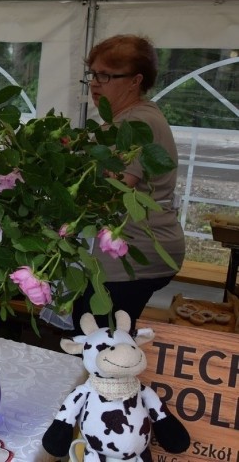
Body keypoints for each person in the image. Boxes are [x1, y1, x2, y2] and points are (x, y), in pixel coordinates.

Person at [71, 34, 185, 331]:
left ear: (135, 81)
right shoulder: (132, 115)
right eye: (93, 74)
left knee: (97, 336)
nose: (95, 83)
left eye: (106, 75)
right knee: (93, 329)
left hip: (135, 254)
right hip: (138, 250)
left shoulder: (136, 122)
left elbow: (116, 184)